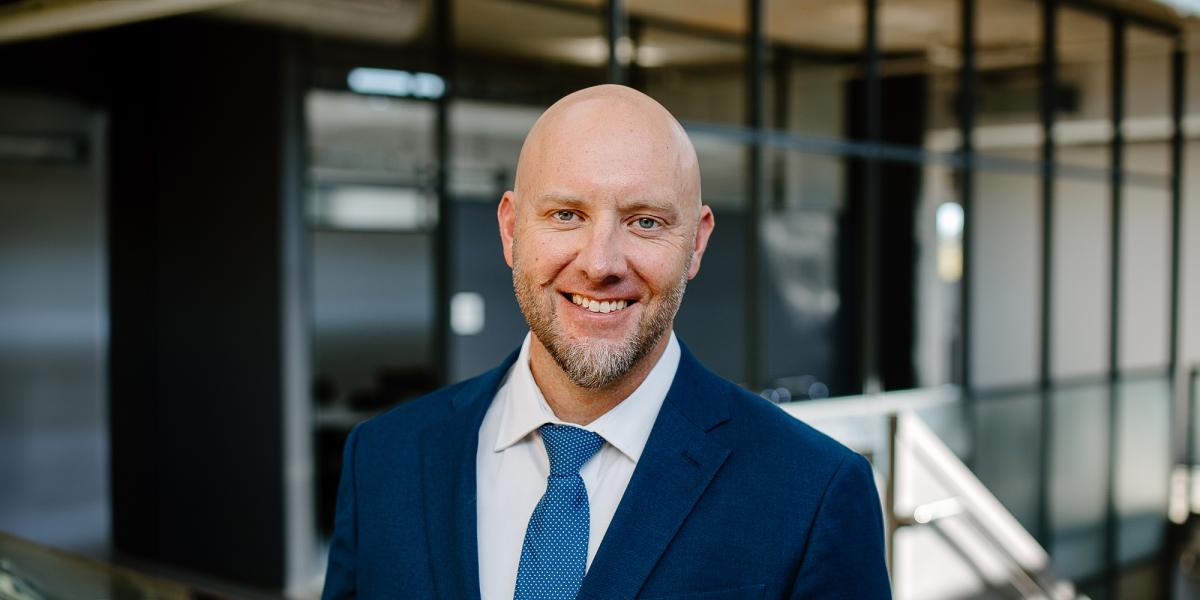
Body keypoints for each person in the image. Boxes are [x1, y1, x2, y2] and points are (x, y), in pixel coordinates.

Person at [321, 84, 891, 599]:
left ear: (696, 242)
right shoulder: (383, 459)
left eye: (645, 222)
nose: (600, 265)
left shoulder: (814, 491)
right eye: (566, 214)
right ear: (511, 229)